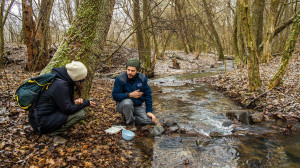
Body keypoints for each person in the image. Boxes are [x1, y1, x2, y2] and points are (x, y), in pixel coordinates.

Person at [28, 61, 96, 136]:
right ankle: (52, 133)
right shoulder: (61, 85)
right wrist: (86, 103)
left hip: (38, 118)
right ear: (76, 78)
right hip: (41, 123)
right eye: (82, 80)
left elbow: (61, 102)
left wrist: (74, 102)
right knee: (81, 113)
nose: (83, 82)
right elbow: (68, 109)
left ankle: (52, 129)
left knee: (79, 109)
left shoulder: (59, 78)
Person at [112, 58, 156, 125]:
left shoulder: (142, 78)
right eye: (128, 70)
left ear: (137, 71)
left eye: (132, 71)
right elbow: (115, 96)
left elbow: (148, 94)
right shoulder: (120, 79)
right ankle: (130, 123)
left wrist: (149, 111)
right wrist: (130, 95)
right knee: (128, 103)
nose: (129, 73)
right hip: (122, 105)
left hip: (137, 106)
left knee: (149, 120)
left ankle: (131, 118)